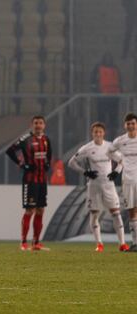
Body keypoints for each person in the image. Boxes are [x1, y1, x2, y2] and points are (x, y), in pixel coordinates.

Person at [68, 122, 128, 252]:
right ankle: (99, 244)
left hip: (108, 184)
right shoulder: (87, 148)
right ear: (92, 133)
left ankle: (122, 244)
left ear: (104, 133)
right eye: (95, 132)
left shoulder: (109, 147)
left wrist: (117, 171)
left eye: (100, 131)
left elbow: (122, 160)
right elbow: (71, 163)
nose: (98, 134)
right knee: (94, 214)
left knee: (116, 213)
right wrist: (85, 172)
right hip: (94, 185)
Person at [5, 115, 52, 251]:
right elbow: (10, 151)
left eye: (41, 123)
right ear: (32, 125)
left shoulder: (46, 140)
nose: (38, 125)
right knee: (29, 210)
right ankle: (23, 242)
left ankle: (36, 243)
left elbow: (49, 155)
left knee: (40, 209)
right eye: (36, 123)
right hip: (30, 180)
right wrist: (22, 164)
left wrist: (48, 164)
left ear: (44, 125)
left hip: (42, 180)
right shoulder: (26, 139)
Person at [108, 113, 137, 251]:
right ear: (125, 125)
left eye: (133, 123)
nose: (130, 125)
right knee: (132, 210)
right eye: (128, 123)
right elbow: (110, 152)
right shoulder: (120, 140)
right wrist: (120, 159)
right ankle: (135, 243)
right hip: (128, 180)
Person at [91, 53, 122, 136]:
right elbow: (93, 81)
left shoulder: (115, 69)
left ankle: (113, 134)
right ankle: (101, 134)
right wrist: (95, 91)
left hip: (113, 97)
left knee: (113, 117)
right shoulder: (98, 68)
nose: (108, 60)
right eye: (106, 58)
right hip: (102, 97)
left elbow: (119, 81)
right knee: (101, 117)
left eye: (109, 58)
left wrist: (120, 92)